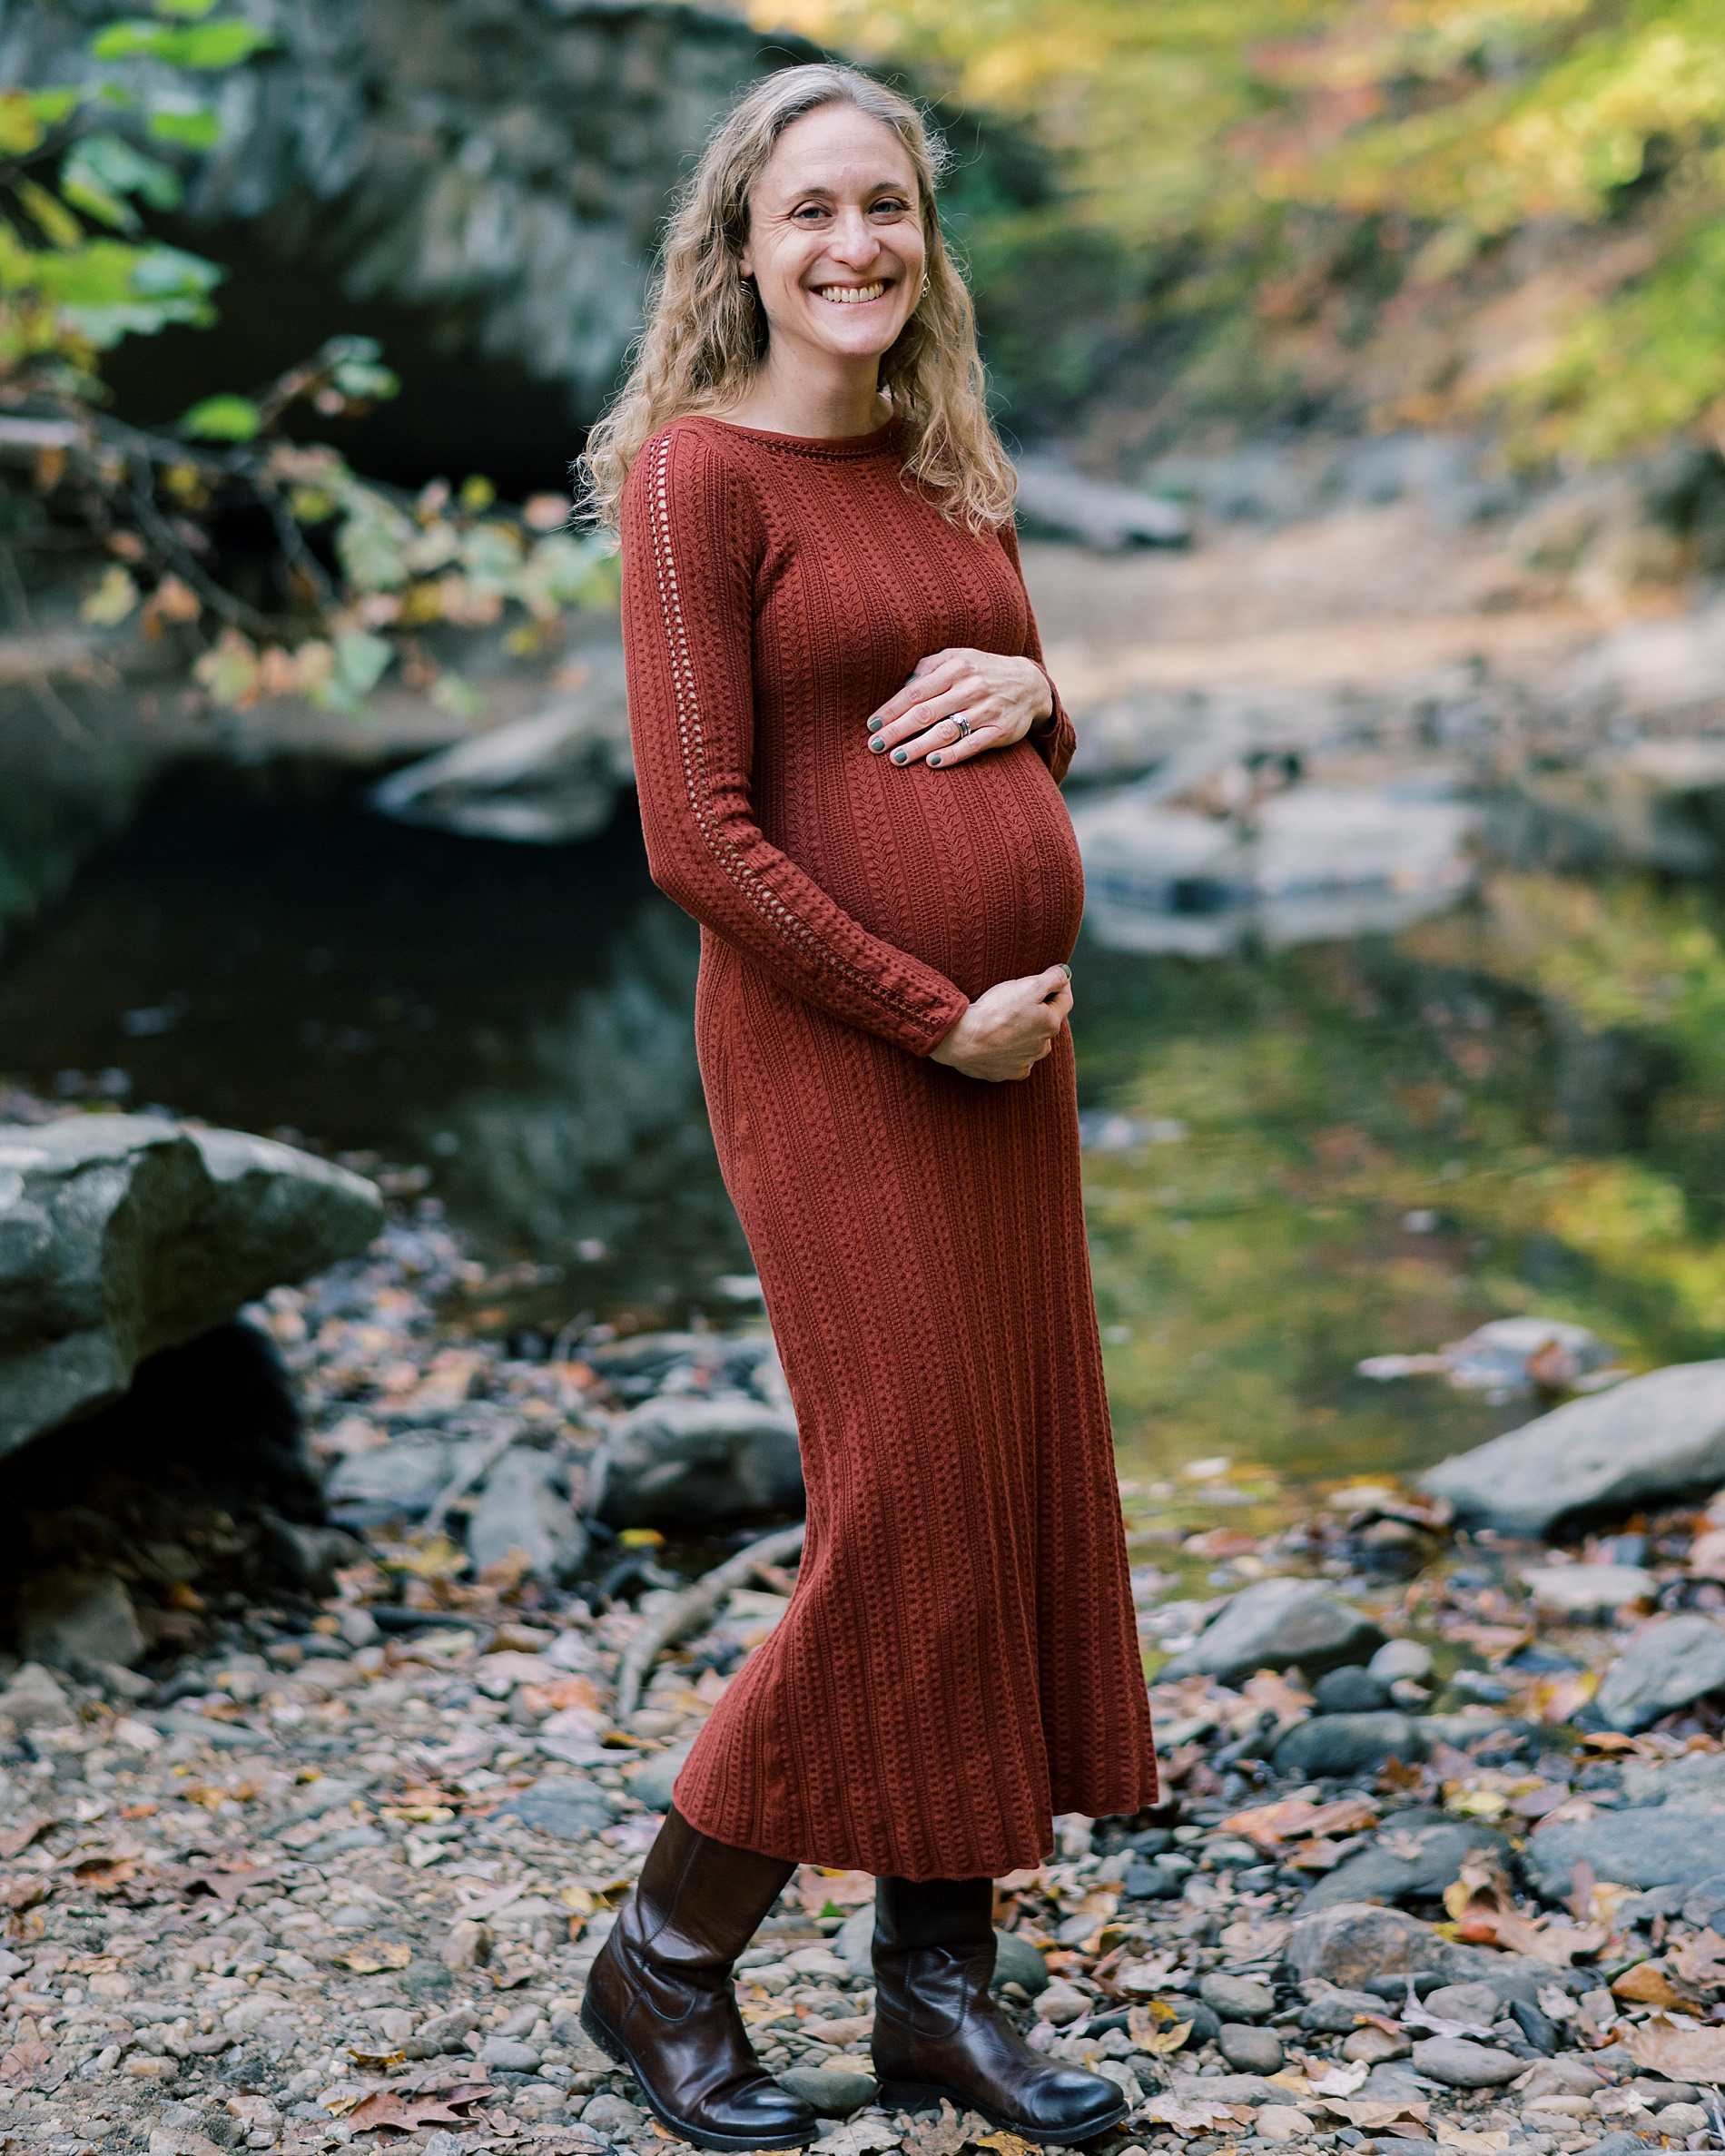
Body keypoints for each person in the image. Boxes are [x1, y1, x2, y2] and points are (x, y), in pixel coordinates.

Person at [577, 62, 1158, 2154]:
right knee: (908, 1493)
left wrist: (1045, 700)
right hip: (855, 1057)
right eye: (811, 210)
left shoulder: (947, 465)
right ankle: (661, 1956)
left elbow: (1005, 731)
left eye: (888, 209)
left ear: (926, 236)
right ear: (739, 241)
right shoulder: (691, 482)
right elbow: (699, 839)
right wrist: (933, 1016)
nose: (855, 248)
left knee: (999, 1479)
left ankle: (938, 1999)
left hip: (1009, 1051)